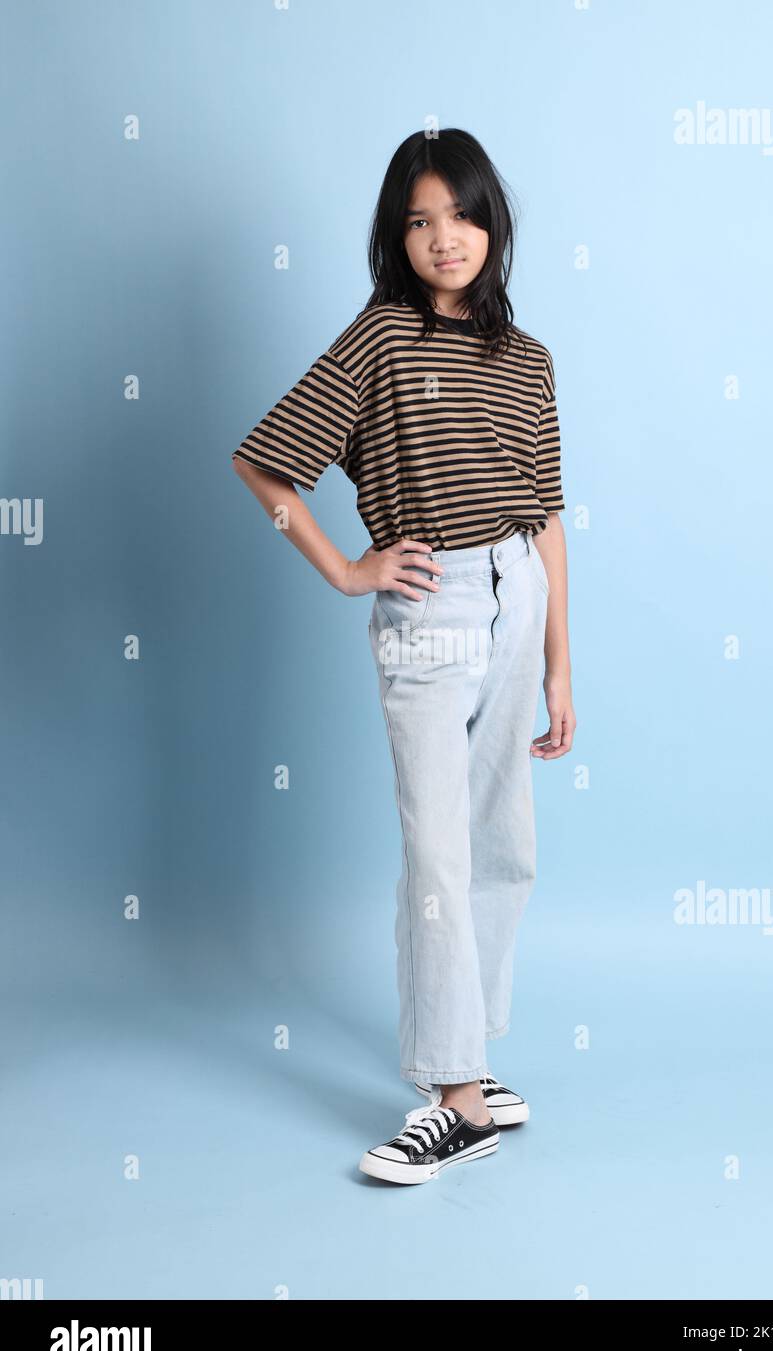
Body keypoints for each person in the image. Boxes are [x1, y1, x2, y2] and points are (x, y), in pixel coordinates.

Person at [232, 128, 576, 1185]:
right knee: (435, 851)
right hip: (429, 605)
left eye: (461, 214)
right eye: (418, 219)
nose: (443, 238)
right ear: (395, 235)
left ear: (491, 224)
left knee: (499, 838)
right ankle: (456, 1094)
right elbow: (263, 462)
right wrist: (346, 571)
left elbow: (551, 516)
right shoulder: (379, 339)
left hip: (518, 590)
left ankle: (472, 1056)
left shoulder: (525, 357)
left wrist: (564, 664)